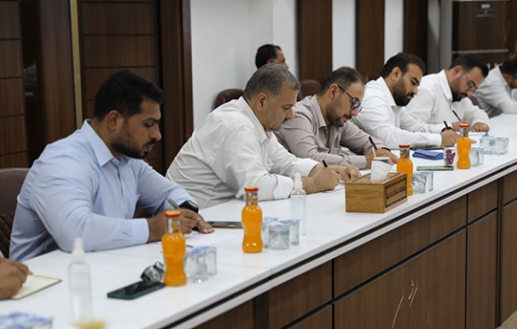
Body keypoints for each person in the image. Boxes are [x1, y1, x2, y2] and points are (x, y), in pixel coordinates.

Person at [10, 71, 212, 262]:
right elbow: (77, 233)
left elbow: (168, 193)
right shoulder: (63, 161)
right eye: (148, 124)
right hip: (46, 280)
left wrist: (184, 213)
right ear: (114, 120)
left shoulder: (128, 161)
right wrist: (153, 228)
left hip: (106, 267)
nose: (157, 135)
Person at [166, 64, 359, 208]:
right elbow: (255, 187)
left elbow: (284, 162)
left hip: (221, 212)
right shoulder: (237, 126)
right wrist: (313, 183)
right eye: (286, 107)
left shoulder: (258, 123)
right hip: (192, 218)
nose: (291, 115)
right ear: (262, 102)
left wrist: (323, 169)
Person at [274, 67, 397, 168]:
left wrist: (382, 152)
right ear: (333, 92)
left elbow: (368, 142)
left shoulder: (337, 120)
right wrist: (365, 161)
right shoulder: (299, 115)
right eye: (353, 102)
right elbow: (311, 159)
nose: (355, 113)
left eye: (358, 106)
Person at [351, 52, 459, 148]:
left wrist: (447, 129)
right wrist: (438, 139)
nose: (415, 91)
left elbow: (415, 127)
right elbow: (388, 138)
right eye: (413, 83)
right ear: (395, 74)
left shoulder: (394, 100)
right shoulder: (372, 97)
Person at [407, 54, 491, 133]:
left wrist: (479, 122)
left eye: (473, 89)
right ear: (456, 71)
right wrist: (449, 127)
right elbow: (411, 129)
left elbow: (477, 113)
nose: (469, 93)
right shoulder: (428, 89)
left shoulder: (458, 94)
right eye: (469, 85)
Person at [474, 52, 517, 117]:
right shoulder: (492, 82)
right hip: (484, 121)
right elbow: (509, 108)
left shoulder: (511, 79)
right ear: (508, 77)